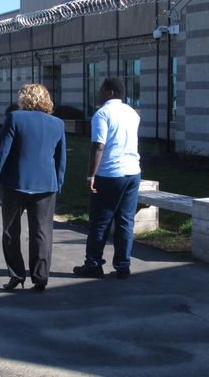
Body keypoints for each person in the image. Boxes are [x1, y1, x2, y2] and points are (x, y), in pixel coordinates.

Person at [0, 83, 66, 292]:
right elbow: (60, 158)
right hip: (47, 185)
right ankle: (40, 277)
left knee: (11, 231)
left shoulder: (15, 118)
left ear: (24, 98)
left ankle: (16, 274)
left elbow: (1, 152)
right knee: (42, 232)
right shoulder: (57, 124)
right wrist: (59, 182)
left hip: (17, 183)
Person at [73, 77, 141, 280]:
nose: (99, 93)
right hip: (133, 172)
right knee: (125, 221)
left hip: (110, 174)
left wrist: (90, 175)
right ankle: (123, 266)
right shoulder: (132, 113)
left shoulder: (102, 114)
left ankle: (93, 264)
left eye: (102, 90)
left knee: (100, 221)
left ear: (110, 92)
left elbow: (99, 146)